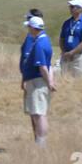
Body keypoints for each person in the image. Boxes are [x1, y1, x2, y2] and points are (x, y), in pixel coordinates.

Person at [20, 15, 56, 146]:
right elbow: (49, 65)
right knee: (38, 112)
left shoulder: (40, 44)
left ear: (34, 28)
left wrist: (49, 82)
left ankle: (41, 144)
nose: (28, 29)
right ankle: (41, 142)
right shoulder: (44, 40)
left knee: (39, 113)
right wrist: (50, 81)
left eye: (29, 27)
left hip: (37, 82)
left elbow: (43, 67)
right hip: (38, 81)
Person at [59, 0, 82, 76]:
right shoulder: (66, 23)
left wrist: (72, 53)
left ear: (80, 9)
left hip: (79, 57)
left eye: (73, 7)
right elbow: (61, 39)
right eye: (70, 7)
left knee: (78, 80)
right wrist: (64, 53)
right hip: (66, 56)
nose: (70, 9)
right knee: (63, 78)